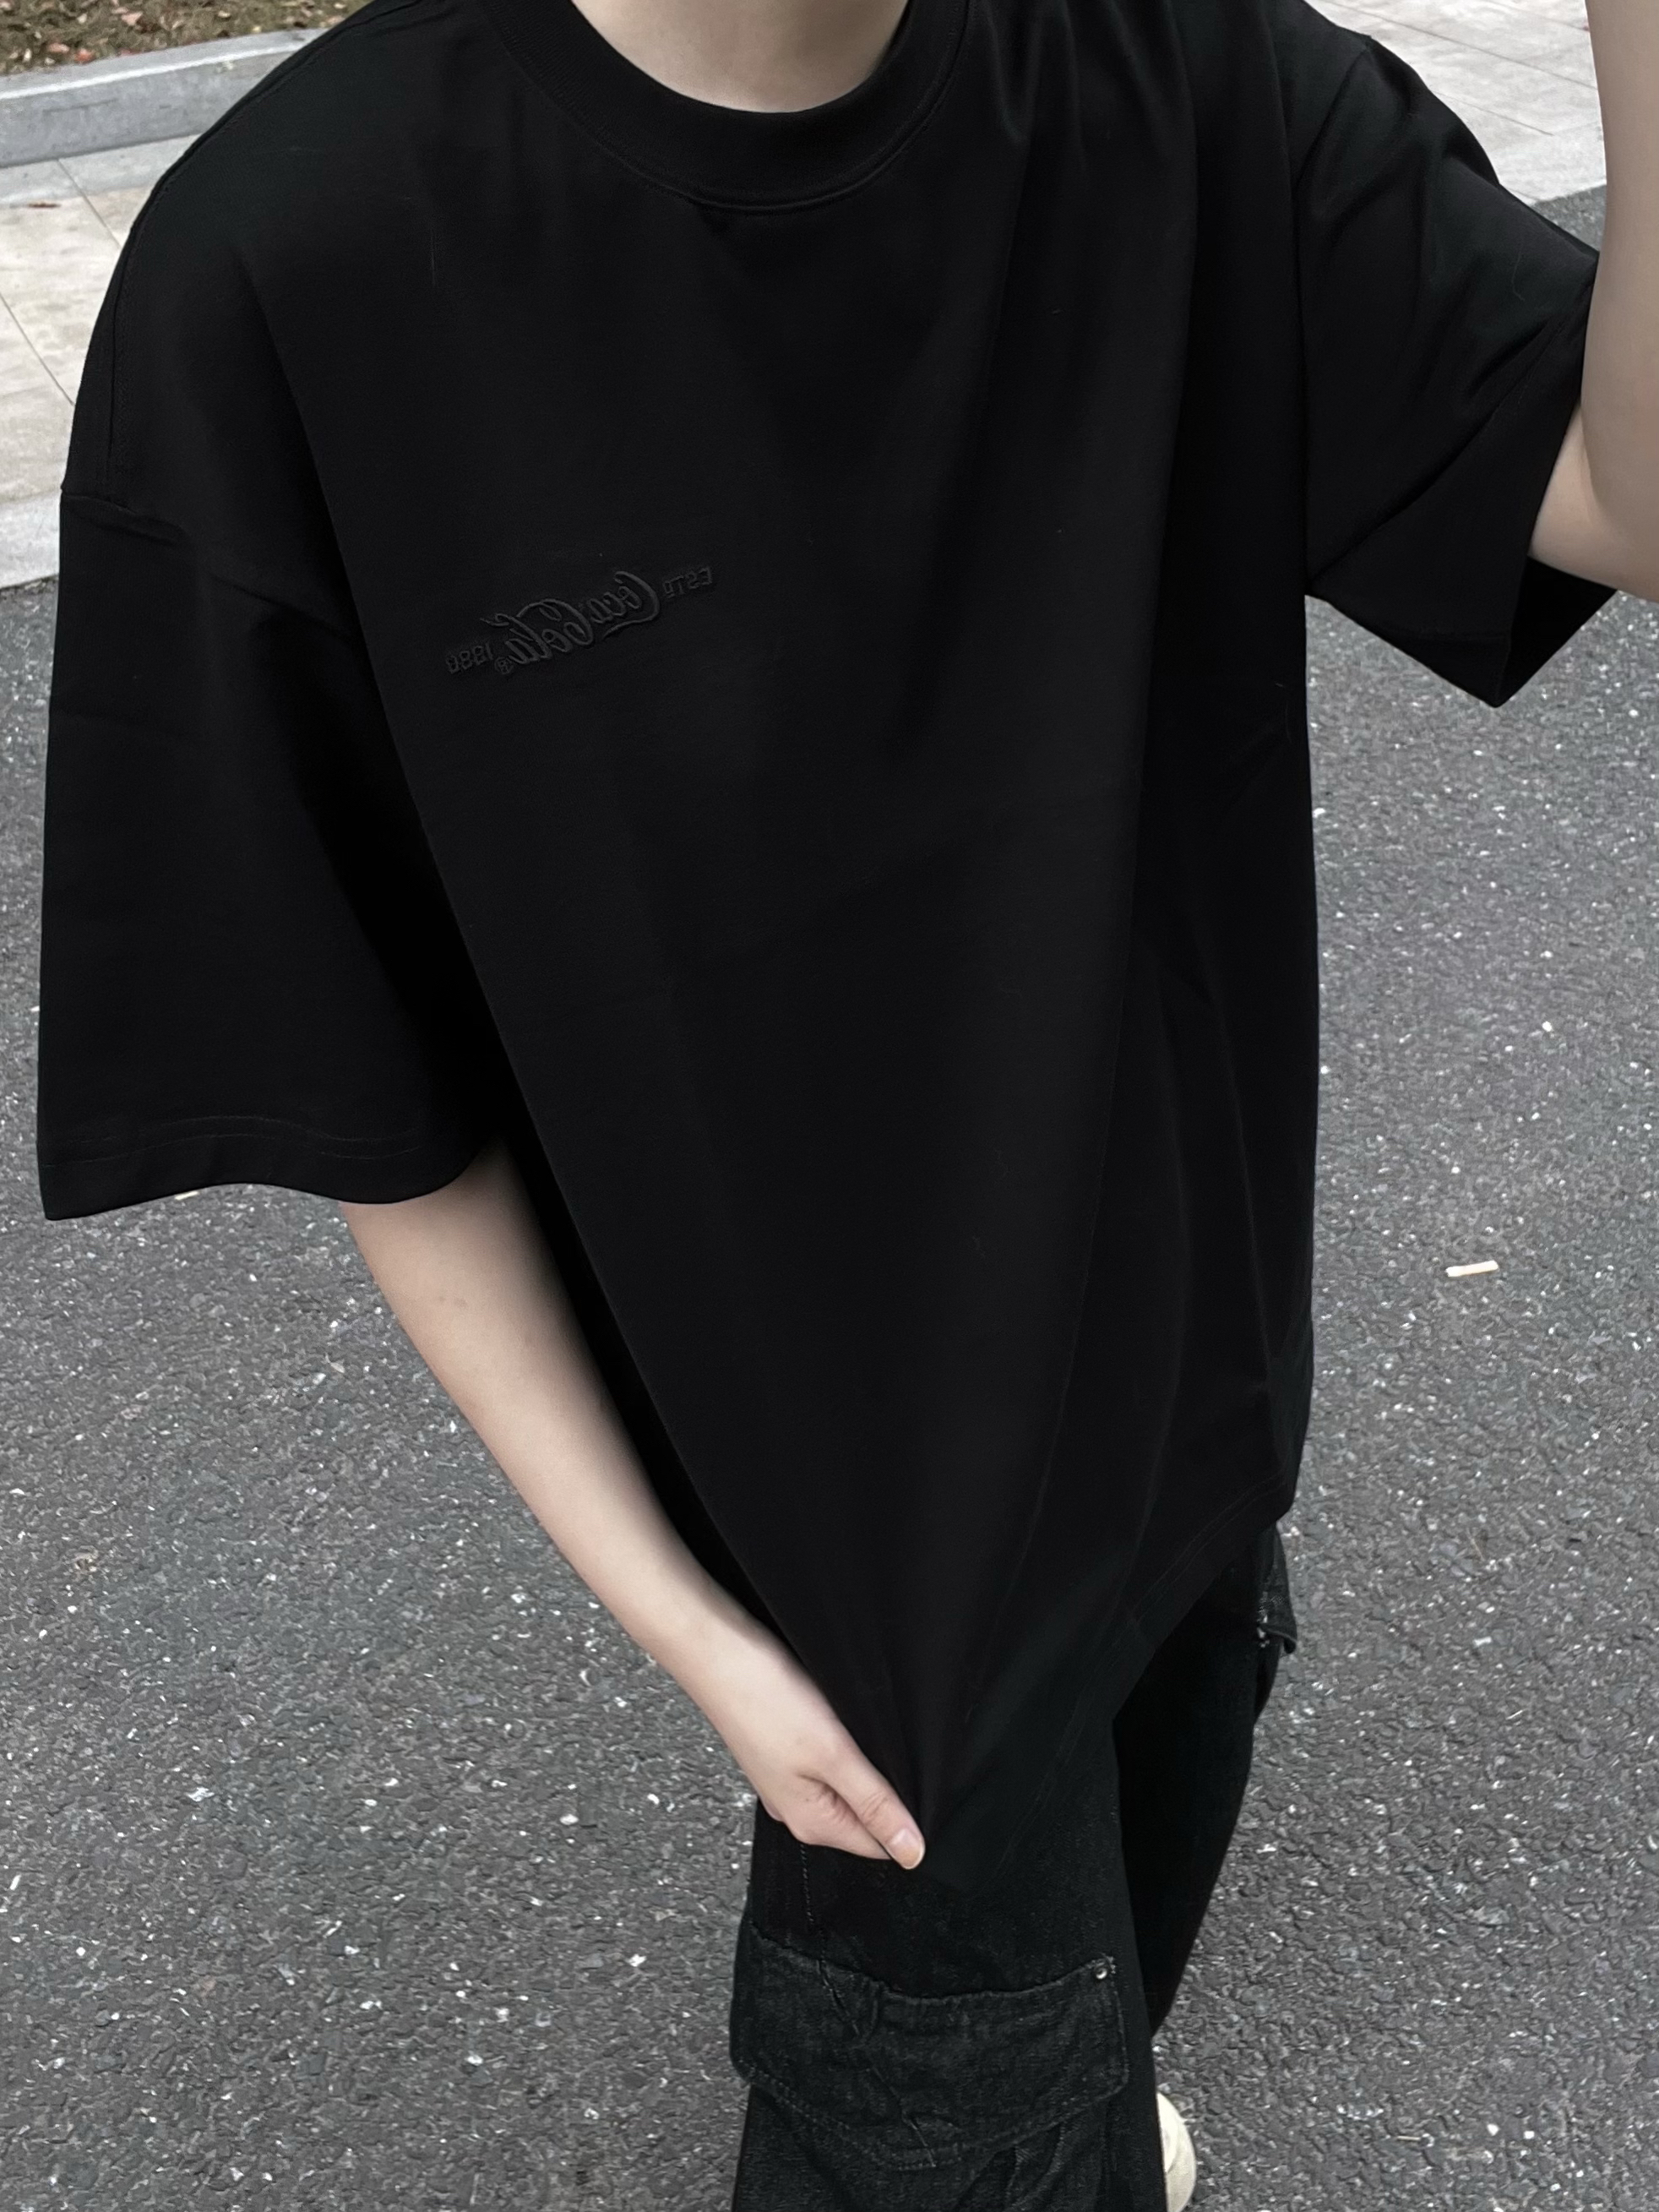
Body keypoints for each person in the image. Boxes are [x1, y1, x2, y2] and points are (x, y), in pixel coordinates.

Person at [33, 0, 1657, 2198]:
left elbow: (1620, 494)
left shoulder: (1179, 87)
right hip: (870, 1628)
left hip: (1191, 1439)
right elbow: (363, 1083)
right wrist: (693, 1633)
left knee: (1112, 1920)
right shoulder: (301, 265)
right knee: (962, 2080)